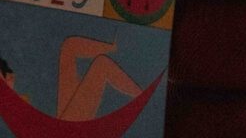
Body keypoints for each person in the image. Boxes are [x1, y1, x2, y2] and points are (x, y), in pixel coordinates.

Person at [0, 37, 143, 122]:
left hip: (60, 125)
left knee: (69, 46)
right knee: (101, 65)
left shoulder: (17, 101)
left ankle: (111, 47)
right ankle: (143, 96)